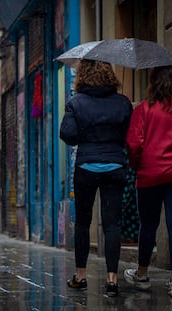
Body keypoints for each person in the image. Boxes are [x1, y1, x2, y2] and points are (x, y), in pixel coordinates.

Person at [60, 59, 133, 296]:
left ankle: (80, 276)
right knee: (113, 224)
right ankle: (112, 280)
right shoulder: (123, 103)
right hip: (115, 166)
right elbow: (128, 135)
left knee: (83, 222)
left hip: (87, 167)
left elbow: (68, 135)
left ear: (83, 75)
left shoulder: (76, 103)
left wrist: (85, 132)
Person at [124, 66, 172, 297]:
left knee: (148, 225)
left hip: (150, 174)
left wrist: (136, 165)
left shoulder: (143, 109)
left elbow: (133, 145)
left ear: (153, 82)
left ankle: (142, 274)